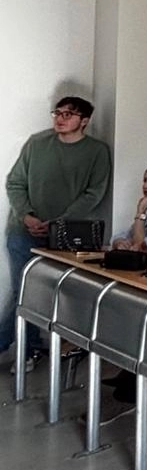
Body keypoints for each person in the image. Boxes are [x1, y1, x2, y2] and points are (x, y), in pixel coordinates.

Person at [3, 96, 111, 368]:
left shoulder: (97, 151)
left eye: (68, 114)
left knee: (50, 295)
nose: (60, 119)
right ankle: (26, 351)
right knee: (22, 292)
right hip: (23, 231)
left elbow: (94, 193)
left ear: (84, 121)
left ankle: (28, 347)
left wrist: (58, 222)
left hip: (65, 236)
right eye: (57, 113)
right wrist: (27, 216)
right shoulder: (37, 144)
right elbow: (15, 183)